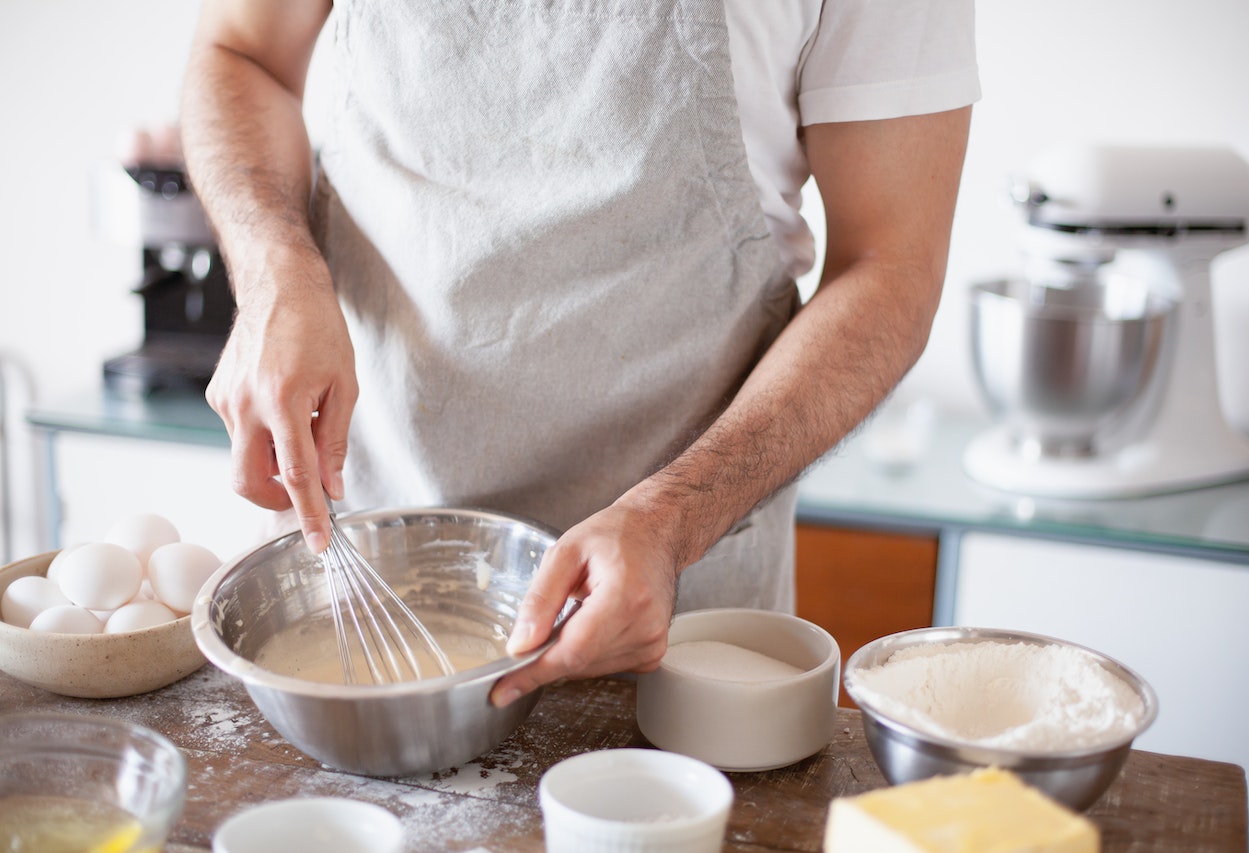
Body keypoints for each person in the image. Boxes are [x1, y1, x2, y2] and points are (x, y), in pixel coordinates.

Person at [181, 0, 979, 709]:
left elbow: (892, 267)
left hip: (680, 619)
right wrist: (274, 270)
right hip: (361, 564)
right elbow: (240, 53)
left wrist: (671, 522)